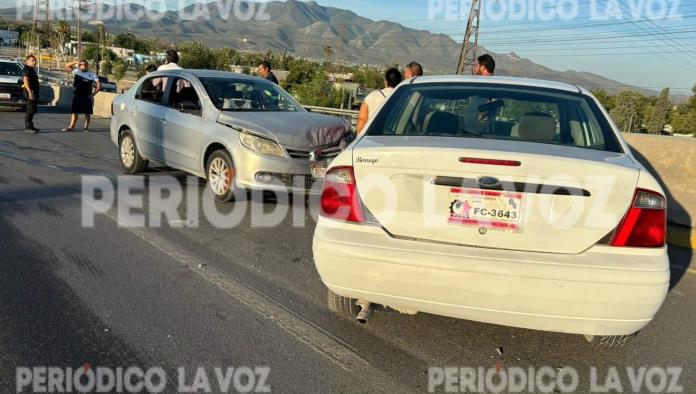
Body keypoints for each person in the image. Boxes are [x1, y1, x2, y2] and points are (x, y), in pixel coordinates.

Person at [357, 68, 402, 134]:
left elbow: (362, 119)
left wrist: (358, 137)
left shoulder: (372, 96)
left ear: (386, 81)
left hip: (371, 137)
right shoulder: (404, 98)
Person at [62, 59, 101, 132]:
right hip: (77, 95)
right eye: (82, 64)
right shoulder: (77, 72)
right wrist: (76, 62)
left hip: (87, 96)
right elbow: (66, 65)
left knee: (87, 113)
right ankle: (71, 127)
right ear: (80, 65)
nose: (84, 66)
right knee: (74, 112)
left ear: (87, 66)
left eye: (85, 64)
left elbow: (99, 84)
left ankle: (86, 127)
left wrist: (93, 94)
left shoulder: (92, 74)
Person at [22, 54, 40, 134]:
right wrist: (30, 92)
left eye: (35, 60)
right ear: (27, 61)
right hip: (30, 92)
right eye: (32, 60)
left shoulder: (31, 69)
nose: (34, 62)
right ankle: (28, 127)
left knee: (32, 109)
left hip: (34, 92)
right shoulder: (26, 69)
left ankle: (31, 125)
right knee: (30, 109)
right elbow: (26, 82)